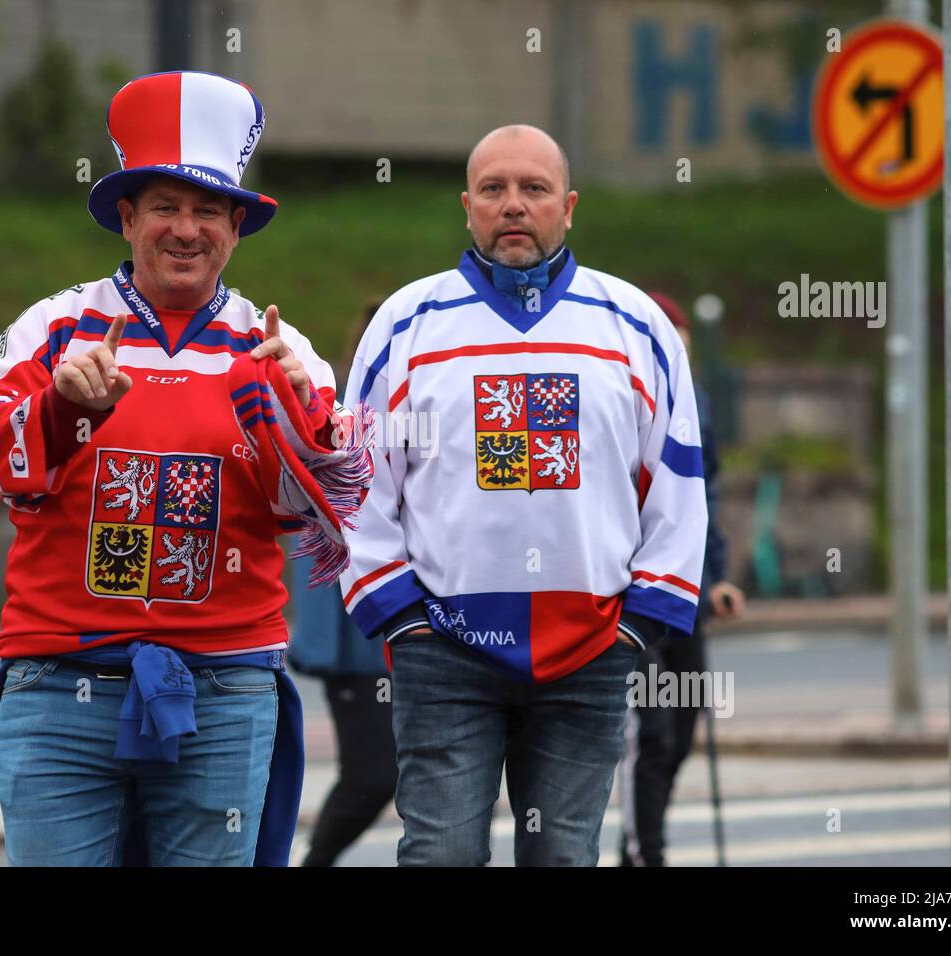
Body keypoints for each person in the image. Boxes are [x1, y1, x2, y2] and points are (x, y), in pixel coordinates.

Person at [0, 71, 367, 866]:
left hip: (225, 686)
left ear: (237, 227)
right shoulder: (55, 327)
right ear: (129, 218)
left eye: (208, 209)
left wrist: (295, 421)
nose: (186, 228)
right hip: (58, 680)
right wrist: (62, 413)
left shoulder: (280, 349)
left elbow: (323, 508)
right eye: (165, 207)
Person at [339, 125, 707, 866]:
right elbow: (357, 483)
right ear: (467, 205)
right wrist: (401, 620)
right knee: (441, 854)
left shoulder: (636, 326)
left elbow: (679, 484)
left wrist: (639, 628)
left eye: (534, 189)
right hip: (441, 649)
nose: (514, 205)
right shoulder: (405, 325)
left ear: (567, 207)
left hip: (592, 650)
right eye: (495, 190)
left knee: (564, 858)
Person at [616, 291, 745, 868]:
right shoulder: (623, 394)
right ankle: (648, 852)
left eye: (683, 341)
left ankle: (640, 843)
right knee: (655, 731)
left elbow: (703, 495)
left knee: (684, 726)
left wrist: (716, 575)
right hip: (633, 593)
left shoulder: (695, 401)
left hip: (686, 592)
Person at [288, 301, 399, 867]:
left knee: (403, 773)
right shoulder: (338, 415)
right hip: (354, 633)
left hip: (404, 627)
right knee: (374, 773)